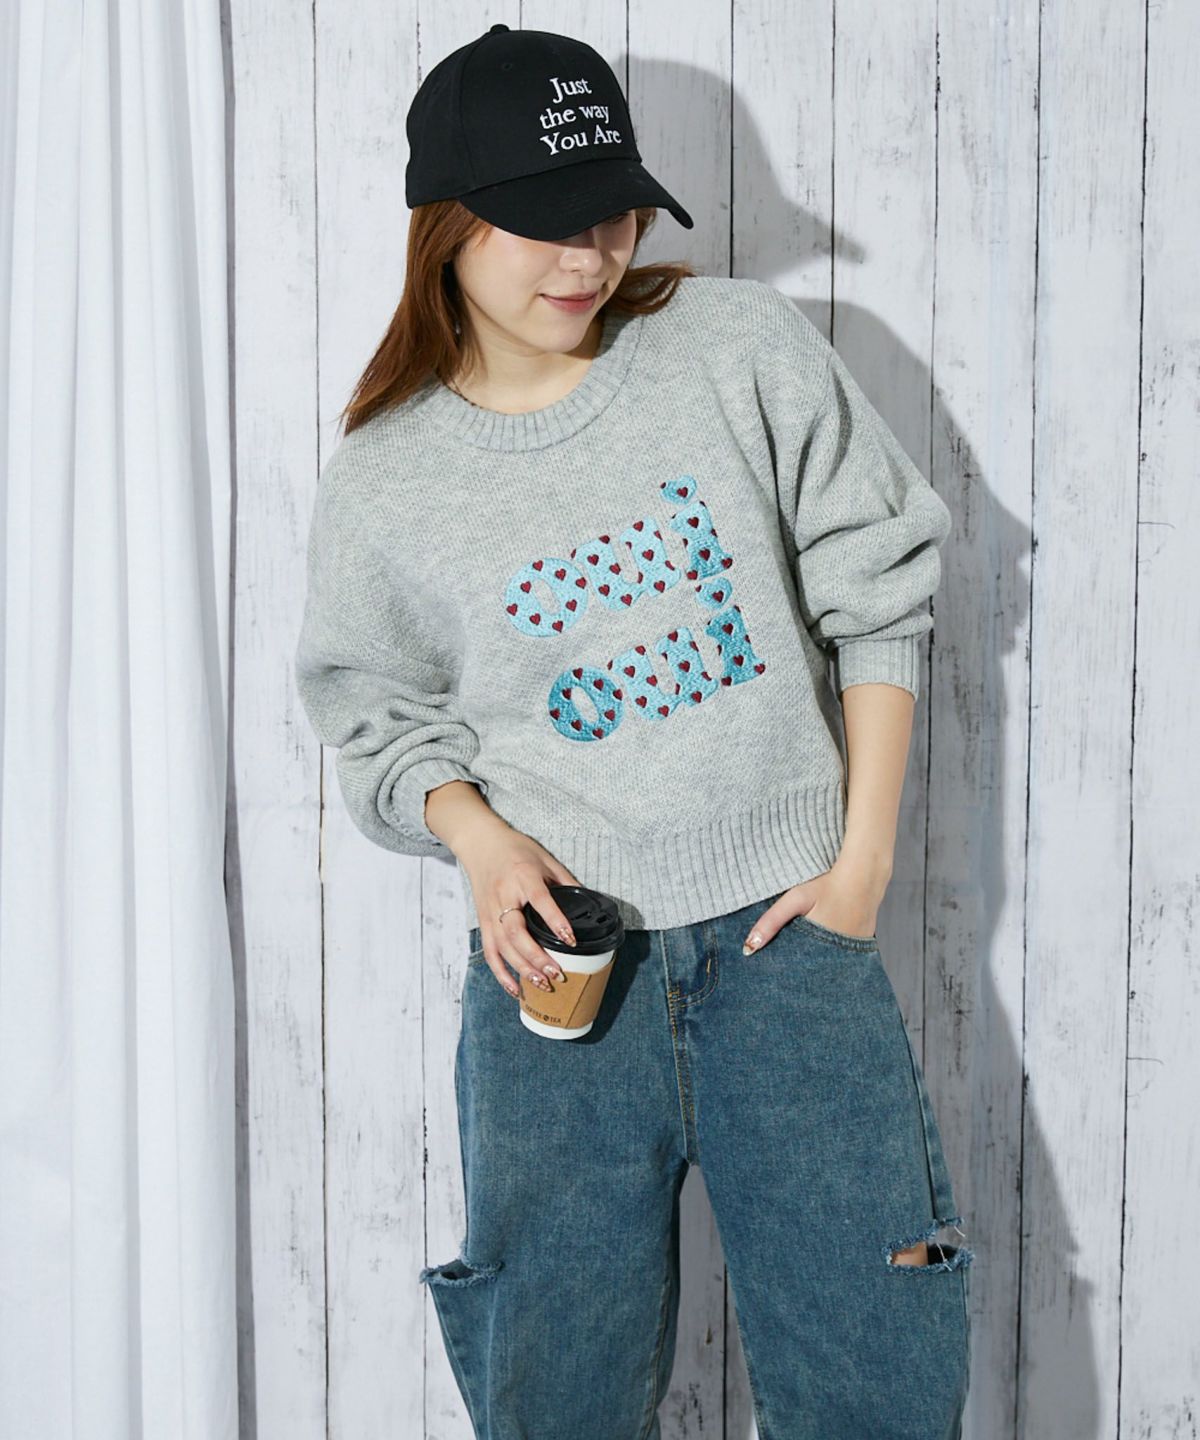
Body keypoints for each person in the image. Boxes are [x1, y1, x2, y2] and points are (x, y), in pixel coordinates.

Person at [294, 21, 973, 1440]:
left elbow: (880, 587)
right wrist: (480, 844)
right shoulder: (387, 475)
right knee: (559, 1399)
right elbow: (373, 713)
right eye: (542, 223)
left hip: (791, 951)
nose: (587, 258)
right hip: (560, 972)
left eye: (608, 214)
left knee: (874, 1387)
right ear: (445, 225)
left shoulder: (732, 348)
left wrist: (859, 868)